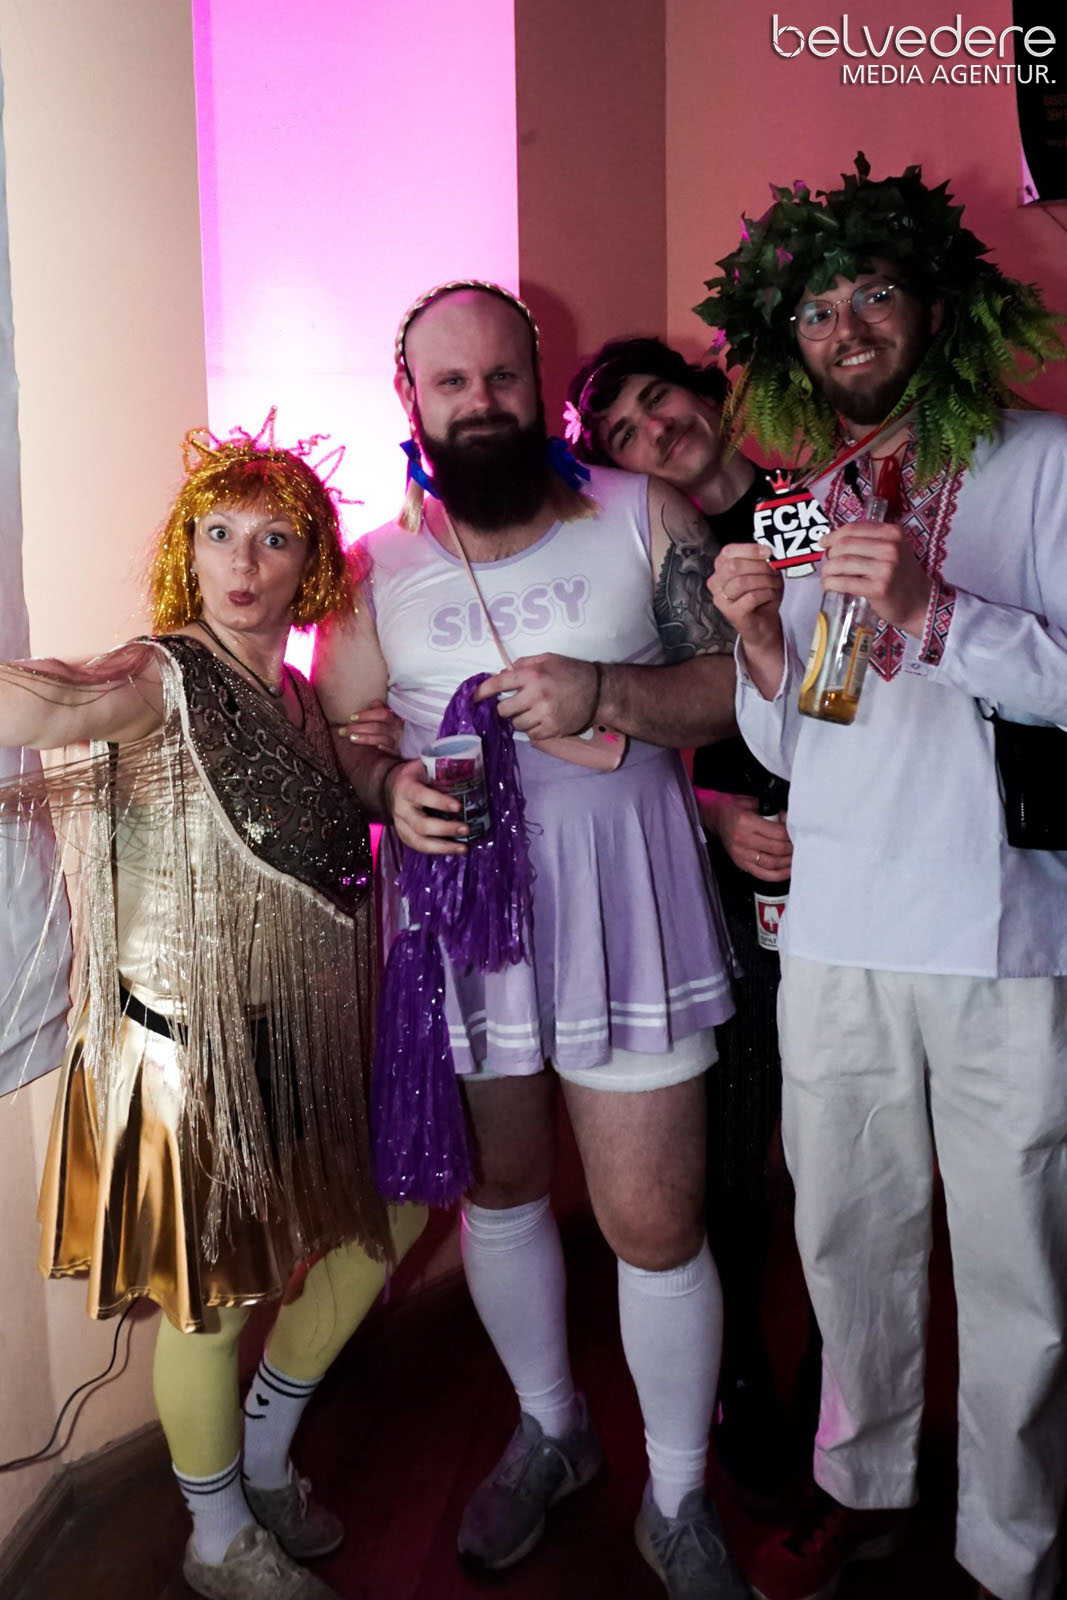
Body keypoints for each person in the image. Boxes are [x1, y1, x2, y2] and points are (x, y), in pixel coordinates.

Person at [314, 280, 751, 1599]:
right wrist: (386, 788)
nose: (481, 402)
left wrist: (605, 689)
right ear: (410, 399)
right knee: (498, 1190)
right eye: (450, 382)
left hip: (631, 907)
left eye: (501, 374)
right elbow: (340, 737)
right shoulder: (370, 569)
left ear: (536, 373)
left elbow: (733, 687)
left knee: (653, 1220)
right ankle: (551, 1430)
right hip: (465, 925)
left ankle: (675, 1498)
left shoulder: (640, 515)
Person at [701, 154, 1067, 1600]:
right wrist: (756, 646)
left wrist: (935, 609)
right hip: (839, 921)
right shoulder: (807, 497)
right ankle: (858, 1482)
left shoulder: (1041, 463)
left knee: (1015, 1256)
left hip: (999, 927)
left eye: (869, 295)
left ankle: (1010, 1541)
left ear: (930, 305)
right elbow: (800, 734)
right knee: (844, 1229)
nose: (842, 328)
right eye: (812, 311)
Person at [0, 416, 423, 1600]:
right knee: (214, 1305)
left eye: (274, 538)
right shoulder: (158, 676)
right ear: (187, 551)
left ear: (310, 563)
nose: (243, 561)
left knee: (384, 1223)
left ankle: (267, 1453)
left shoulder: (295, 694)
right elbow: (52, 705)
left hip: (302, 1046)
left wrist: (381, 765)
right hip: (185, 1058)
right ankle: (216, 1533)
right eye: (219, 532)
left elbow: (334, 805)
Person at [565, 336, 813, 1502]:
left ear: (705, 392)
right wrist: (713, 814)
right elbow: (626, 730)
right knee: (732, 1142)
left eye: (656, 399)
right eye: (620, 431)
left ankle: (839, 1394)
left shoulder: (812, 504)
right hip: (722, 880)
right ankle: (739, 1382)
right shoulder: (645, 549)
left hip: (856, 867)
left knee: (840, 1149)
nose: (652, 431)